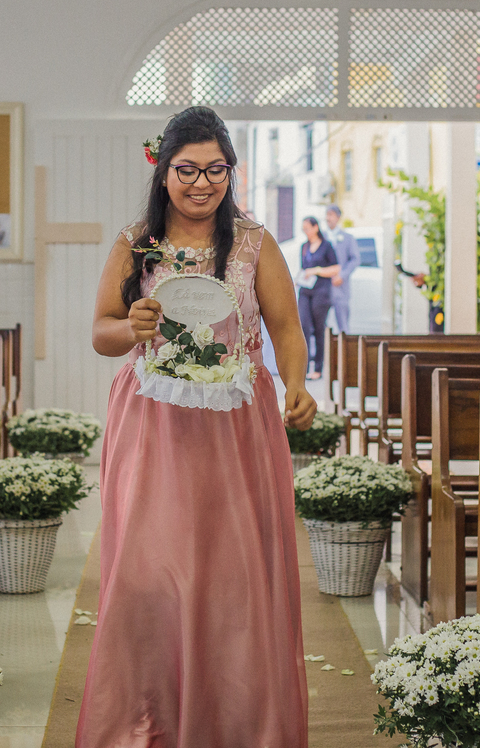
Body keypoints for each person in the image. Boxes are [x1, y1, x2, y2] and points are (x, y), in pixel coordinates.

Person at [83, 106, 315, 747]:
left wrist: (296, 383)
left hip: (235, 431)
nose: (201, 182)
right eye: (187, 169)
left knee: (232, 576)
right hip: (154, 427)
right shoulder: (136, 243)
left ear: (231, 172)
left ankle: (232, 725)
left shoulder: (253, 244)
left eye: (216, 169)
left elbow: (287, 331)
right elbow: (102, 332)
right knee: (148, 573)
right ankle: (147, 723)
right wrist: (130, 326)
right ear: (163, 171)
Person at [296, 216, 339, 380]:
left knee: (318, 328)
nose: (306, 232)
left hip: (321, 290)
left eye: (307, 228)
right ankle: (304, 367)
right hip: (306, 290)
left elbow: (335, 268)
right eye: (303, 229)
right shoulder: (304, 247)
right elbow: (303, 268)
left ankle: (318, 367)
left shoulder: (326, 246)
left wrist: (317, 270)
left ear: (315, 228)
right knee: (304, 326)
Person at [323, 204, 361, 334]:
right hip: (324, 287)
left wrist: (343, 275)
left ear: (338, 217)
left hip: (341, 287)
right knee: (321, 324)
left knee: (343, 324)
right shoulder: (321, 236)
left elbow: (355, 259)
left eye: (331, 215)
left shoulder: (348, 238)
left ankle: (344, 351)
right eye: (327, 215)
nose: (328, 218)